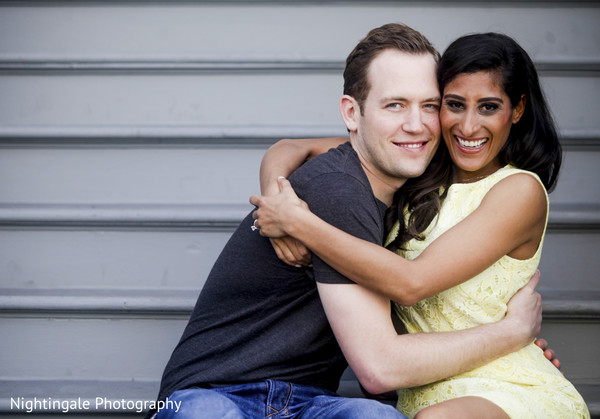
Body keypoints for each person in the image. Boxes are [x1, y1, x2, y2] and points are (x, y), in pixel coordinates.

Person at [147, 24, 547, 419]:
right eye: (395, 105)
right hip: (214, 392)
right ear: (352, 113)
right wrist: (509, 334)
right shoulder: (341, 187)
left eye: (429, 105)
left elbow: (295, 148)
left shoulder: (414, 181)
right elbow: (380, 368)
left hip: (305, 400)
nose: (416, 124)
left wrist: (290, 212)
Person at [250, 32, 589, 418]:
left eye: (489, 107)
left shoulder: (519, 191)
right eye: (453, 105)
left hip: (503, 386)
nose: (468, 126)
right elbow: (290, 149)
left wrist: (298, 223)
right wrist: (275, 199)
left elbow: (412, 284)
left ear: (517, 109)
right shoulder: (418, 164)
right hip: (421, 387)